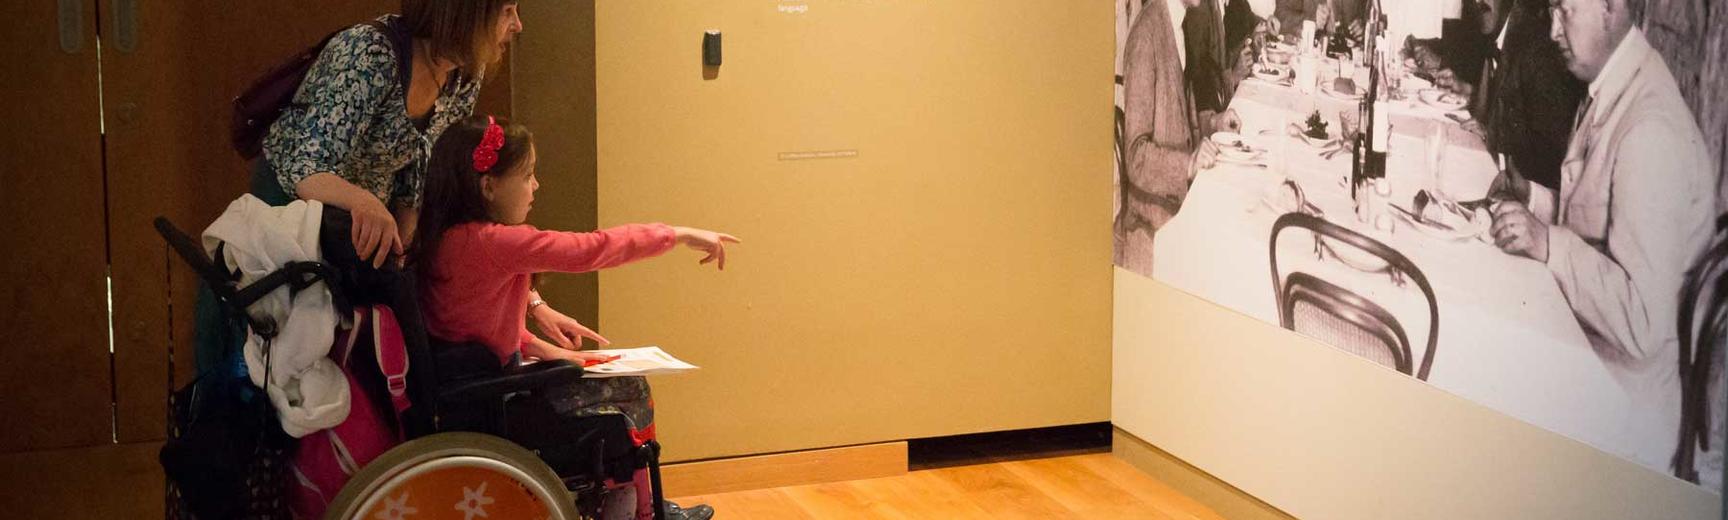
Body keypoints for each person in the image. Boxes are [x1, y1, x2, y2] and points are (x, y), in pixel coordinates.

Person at [245, 0, 597, 372]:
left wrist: (531, 303)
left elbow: (424, 182)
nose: (518, 25)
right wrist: (367, 203)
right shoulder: (369, 53)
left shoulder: (462, 74)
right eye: (507, 11)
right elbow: (306, 167)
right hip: (294, 210)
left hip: (364, 223)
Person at [412, 115, 732, 520]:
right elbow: (591, 249)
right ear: (488, 186)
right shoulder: (495, 242)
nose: (536, 186)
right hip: (497, 401)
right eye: (527, 175)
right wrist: (678, 233)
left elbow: (473, 326)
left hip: (475, 391)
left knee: (609, 377)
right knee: (632, 388)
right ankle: (646, 512)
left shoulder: (446, 238)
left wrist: (544, 348)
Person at [1489, 0, 1716, 469]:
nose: (1553, 30)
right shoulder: (1615, 87)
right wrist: (1533, 197)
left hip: (1622, 405)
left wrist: (1548, 243)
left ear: (1610, 7)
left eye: (1564, 12)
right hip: (1590, 355)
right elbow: (1596, 218)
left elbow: (1642, 324)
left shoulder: (1651, 130)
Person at [1117, 0, 1224, 274]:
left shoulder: (1180, 25)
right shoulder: (1146, 36)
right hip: (1153, 222)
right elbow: (1135, 155)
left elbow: (1180, 115)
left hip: (1179, 202)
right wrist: (1187, 165)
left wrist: (1214, 121)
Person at [1466, 0, 1585, 191]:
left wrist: (1494, 140)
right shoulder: (1498, 35)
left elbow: (1550, 160)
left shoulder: (1538, 50)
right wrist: (1487, 130)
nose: (1477, 1)